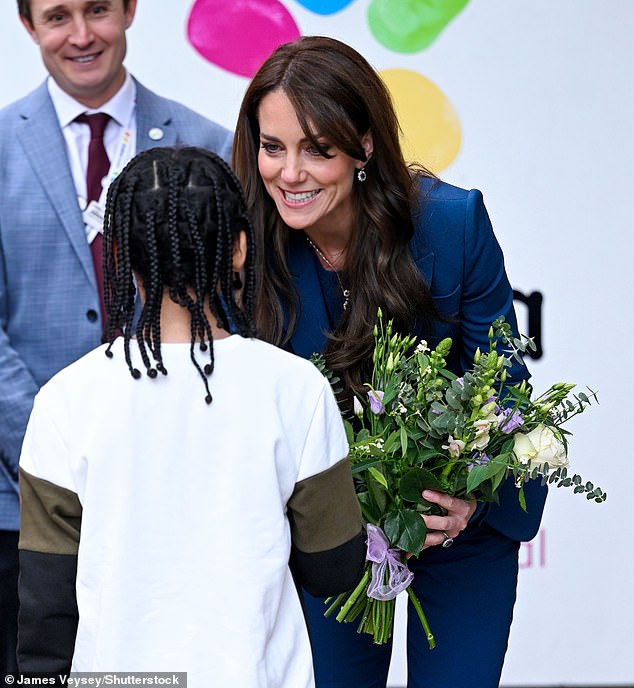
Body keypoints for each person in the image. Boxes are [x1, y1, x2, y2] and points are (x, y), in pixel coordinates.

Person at [233, 35, 548, 688]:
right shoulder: (249, 246)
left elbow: (507, 392)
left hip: (457, 524)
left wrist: (469, 499)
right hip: (330, 534)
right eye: (273, 147)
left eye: (318, 148)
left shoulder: (453, 224)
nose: (290, 173)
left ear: (364, 146)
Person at [17, 146, 366, 685]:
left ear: (120, 256)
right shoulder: (294, 388)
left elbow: (46, 603)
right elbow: (333, 568)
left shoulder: (65, 399)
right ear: (240, 250)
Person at [0, 0, 233, 672]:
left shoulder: (207, 144)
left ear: (130, 9)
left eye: (98, 9)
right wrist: (51, 456)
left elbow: (229, 314)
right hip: (24, 507)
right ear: (27, 25)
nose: (81, 35)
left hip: (168, 505)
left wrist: (146, 465)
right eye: (57, 16)